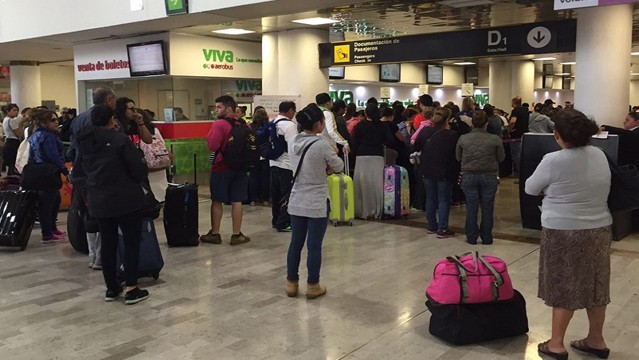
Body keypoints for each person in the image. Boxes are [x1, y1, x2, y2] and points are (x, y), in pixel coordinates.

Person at [525, 109, 612, 360]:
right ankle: (596, 340)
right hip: (599, 229)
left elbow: (531, 188)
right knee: (596, 284)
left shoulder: (554, 160)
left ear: (557, 135)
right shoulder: (599, 154)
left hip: (563, 231)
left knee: (564, 284)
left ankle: (556, 345)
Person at [77, 104, 150, 305]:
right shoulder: (119, 139)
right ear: (112, 119)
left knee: (108, 244)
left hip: (99, 199)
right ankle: (132, 287)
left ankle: (111, 288)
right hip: (126, 199)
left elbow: (79, 168)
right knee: (132, 242)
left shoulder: (84, 141)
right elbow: (136, 168)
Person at [285, 104, 343, 299]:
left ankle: (291, 284)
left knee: (295, 243)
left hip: (296, 199)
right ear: (318, 124)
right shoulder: (321, 144)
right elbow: (339, 166)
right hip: (317, 201)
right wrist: (330, 161)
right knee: (314, 246)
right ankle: (313, 285)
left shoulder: (293, 142)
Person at [68, 86, 117, 271]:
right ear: (109, 99)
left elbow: (72, 148)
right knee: (104, 215)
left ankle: (92, 255)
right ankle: (101, 257)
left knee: (89, 213)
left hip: (80, 172)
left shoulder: (79, 118)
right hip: (98, 174)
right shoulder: (103, 120)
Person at [200, 95, 251, 245]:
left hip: (221, 167)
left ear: (229, 109)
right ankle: (237, 234)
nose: (216, 110)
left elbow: (213, 146)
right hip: (240, 167)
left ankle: (215, 233)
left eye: (219, 107)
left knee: (217, 200)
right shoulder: (244, 125)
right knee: (237, 200)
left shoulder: (219, 124)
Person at [456, 110, 505, 245]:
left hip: (469, 175)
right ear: (486, 124)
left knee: (471, 207)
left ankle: (471, 238)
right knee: (487, 207)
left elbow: (458, 157)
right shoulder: (495, 139)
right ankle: (487, 237)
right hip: (489, 175)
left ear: (472, 123)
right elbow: (501, 158)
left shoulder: (463, 138)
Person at [413, 107, 459, 238]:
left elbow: (415, 146)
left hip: (427, 169)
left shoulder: (425, 131)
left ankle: (431, 226)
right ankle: (443, 229)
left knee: (430, 198)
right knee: (443, 199)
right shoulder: (452, 135)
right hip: (444, 171)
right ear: (447, 120)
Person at [27, 109, 69, 244]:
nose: (56, 122)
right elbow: (53, 156)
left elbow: (31, 156)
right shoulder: (48, 136)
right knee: (48, 204)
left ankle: (52, 229)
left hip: (39, 172)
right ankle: (47, 233)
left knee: (54, 200)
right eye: (52, 120)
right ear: (43, 122)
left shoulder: (35, 135)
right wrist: (65, 170)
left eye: (56, 119)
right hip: (48, 173)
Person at [351, 104, 394, 219]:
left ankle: (362, 210)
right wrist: (381, 143)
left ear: (365, 113)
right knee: (377, 184)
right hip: (377, 155)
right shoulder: (383, 126)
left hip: (362, 156)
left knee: (363, 183)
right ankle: (376, 210)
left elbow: (355, 142)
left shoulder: (360, 125)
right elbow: (390, 140)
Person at [269, 101, 298, 232]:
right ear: (290, 110)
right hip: (286, 164)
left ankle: (276, 220)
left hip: (273, 163)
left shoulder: (273, 123)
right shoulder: (290, 126)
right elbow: (293, 147)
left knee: (275, 194)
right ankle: (284, 222)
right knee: (286, 195)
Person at [248, 108, 271, 207]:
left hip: (253, 155)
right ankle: (265, 198)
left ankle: (253, 199)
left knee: (253, 177)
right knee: (265, 178)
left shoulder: (250, 127)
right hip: (265, 155)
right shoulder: (268, 127)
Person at [3, 103, 28, 175]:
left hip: (8, 142)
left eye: (17, 110)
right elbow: (19, 134)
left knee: (11, 165)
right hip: (13, 143)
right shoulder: (11, 120)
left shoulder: (5, 119)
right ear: (8, 111)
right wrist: (21, 123)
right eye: (14, 110)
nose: (16, 112)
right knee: (14, 166)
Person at [508, 96, 529, 173]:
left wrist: (509, 130)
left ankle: (519, 172)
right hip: (524, 134)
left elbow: (513, 121)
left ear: (514, 103)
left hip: (516, 135)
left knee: (516, 154)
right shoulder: (525, 111)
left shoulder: (515, 111)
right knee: (521, 154)